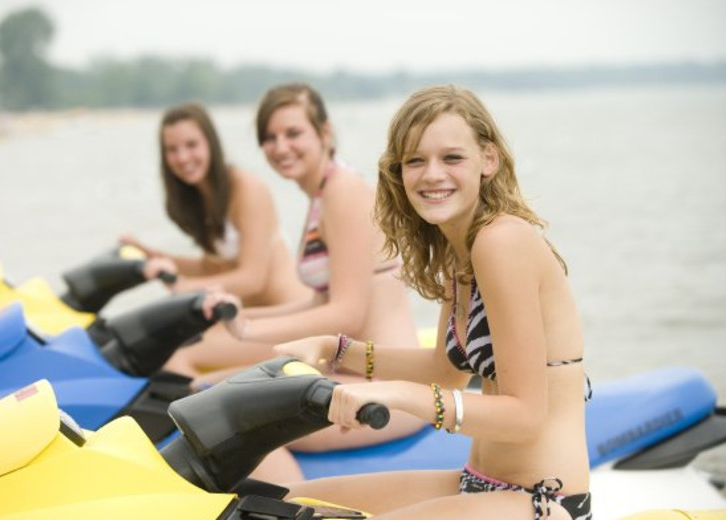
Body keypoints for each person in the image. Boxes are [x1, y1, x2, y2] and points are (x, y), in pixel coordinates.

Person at [272, 85, 592, 519]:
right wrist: (334, 350)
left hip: (544, 503)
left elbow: (525, 415)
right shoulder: (459, 250)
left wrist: (399, 396)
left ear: (488, 160)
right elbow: (446, 370)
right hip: (478, 485)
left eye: (452, 158)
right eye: (415, 160)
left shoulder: (502, 241)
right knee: (285, 505)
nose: (431, 174)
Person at [179, 82, 425, 452]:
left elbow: (347, 314)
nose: (280, 147)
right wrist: (243, 320)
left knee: (233, 425)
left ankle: (289, 500)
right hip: (348, 375)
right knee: (205, 390)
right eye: (269, 137)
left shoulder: (343, 192)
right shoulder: (323, 195)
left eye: (293, 133)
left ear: (325, 133)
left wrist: (248, 330)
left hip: (386, 389)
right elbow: (320, 300)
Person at [120, 102, 309, 308]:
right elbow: (209, 268)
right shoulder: (199, 198)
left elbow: (253, 279)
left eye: (192, 145)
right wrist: (147, 254)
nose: (182, 158)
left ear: (211, 143)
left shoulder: (246, 188)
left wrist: (185, 287)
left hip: (287, 311)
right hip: (245, 316)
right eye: (172, 149)